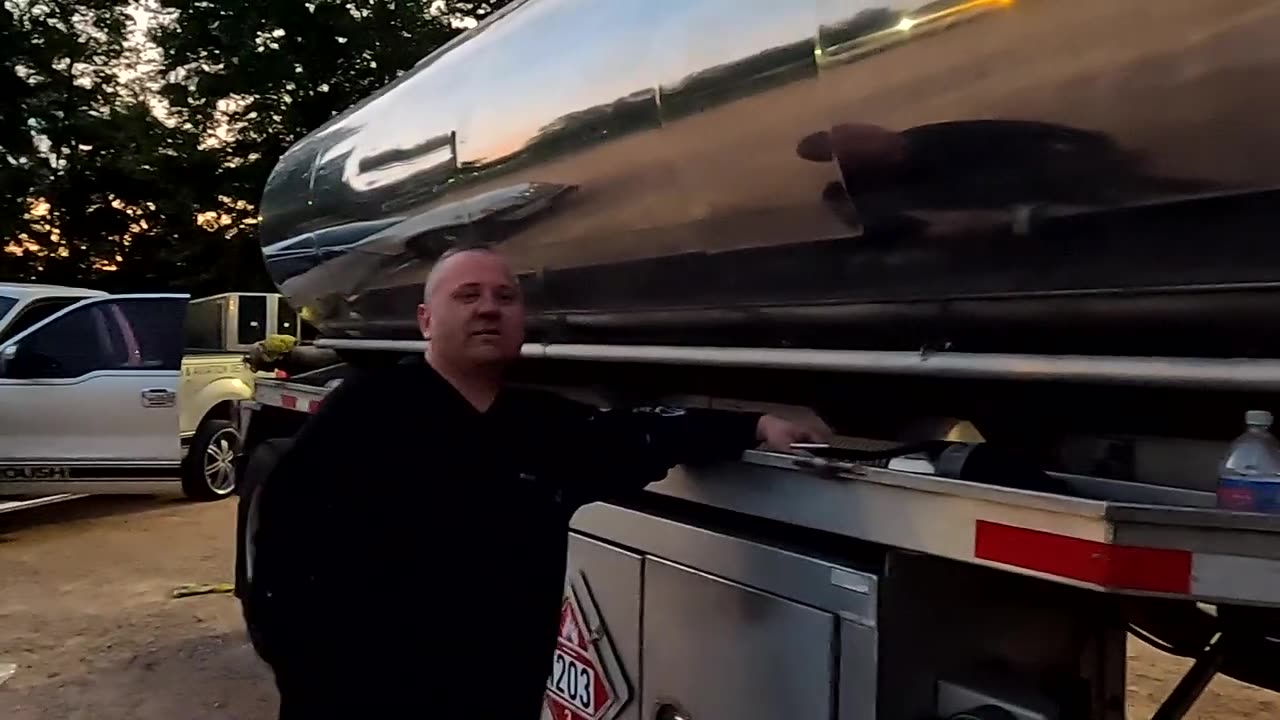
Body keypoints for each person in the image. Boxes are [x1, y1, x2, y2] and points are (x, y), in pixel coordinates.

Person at [247, 244, 832, 719]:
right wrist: (311, 679)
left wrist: (752, 425)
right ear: (426, 320)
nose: (489, 308)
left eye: (505, 297)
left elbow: (637, 434)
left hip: (498, 695)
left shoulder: (540, 425)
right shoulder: (366, 414)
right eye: (468, 295)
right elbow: (282, 558)